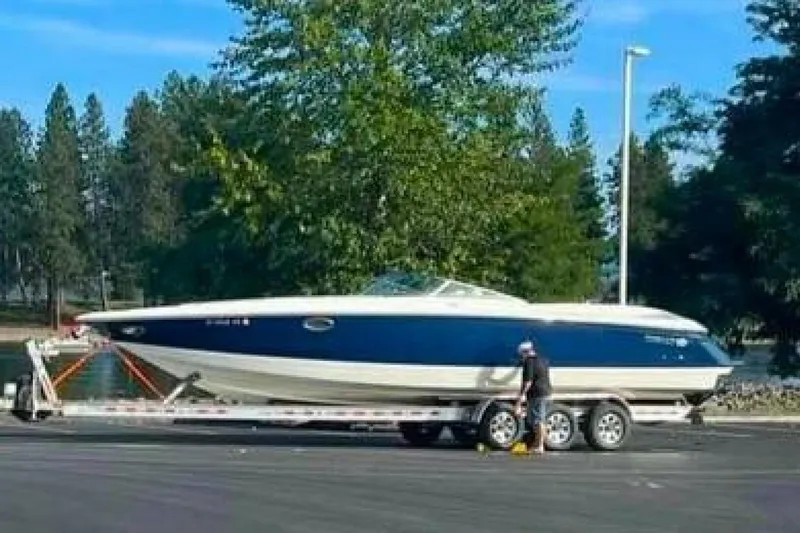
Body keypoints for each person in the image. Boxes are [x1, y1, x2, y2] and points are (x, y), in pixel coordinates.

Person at [514, 340, 552, 454]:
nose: (521, 358)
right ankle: (538, 444)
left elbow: (528, 382)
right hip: (546, 393)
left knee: (538, 420)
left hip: (537, 394)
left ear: (525, 352)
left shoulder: (529, 362)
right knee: (538, 420)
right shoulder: (543, 360)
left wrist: (519, 400)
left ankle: (540, 446)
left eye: (521, 355)